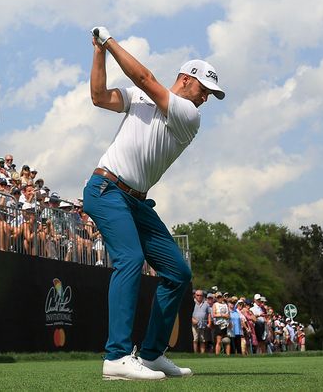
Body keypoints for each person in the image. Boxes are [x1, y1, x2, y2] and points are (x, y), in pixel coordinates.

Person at [82, 25, 225, 381]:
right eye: (205, 90)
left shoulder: (189, 116)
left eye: (211, 94)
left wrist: (108, 39)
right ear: (186, 80)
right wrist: (99, 51)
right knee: (130, 259)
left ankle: (150, 354)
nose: (206, 98)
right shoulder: (142, 98)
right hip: (107, 189)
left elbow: (145, 77)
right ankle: (115, 358)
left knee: (178, 273)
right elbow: (99, 96)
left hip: (138, 203)